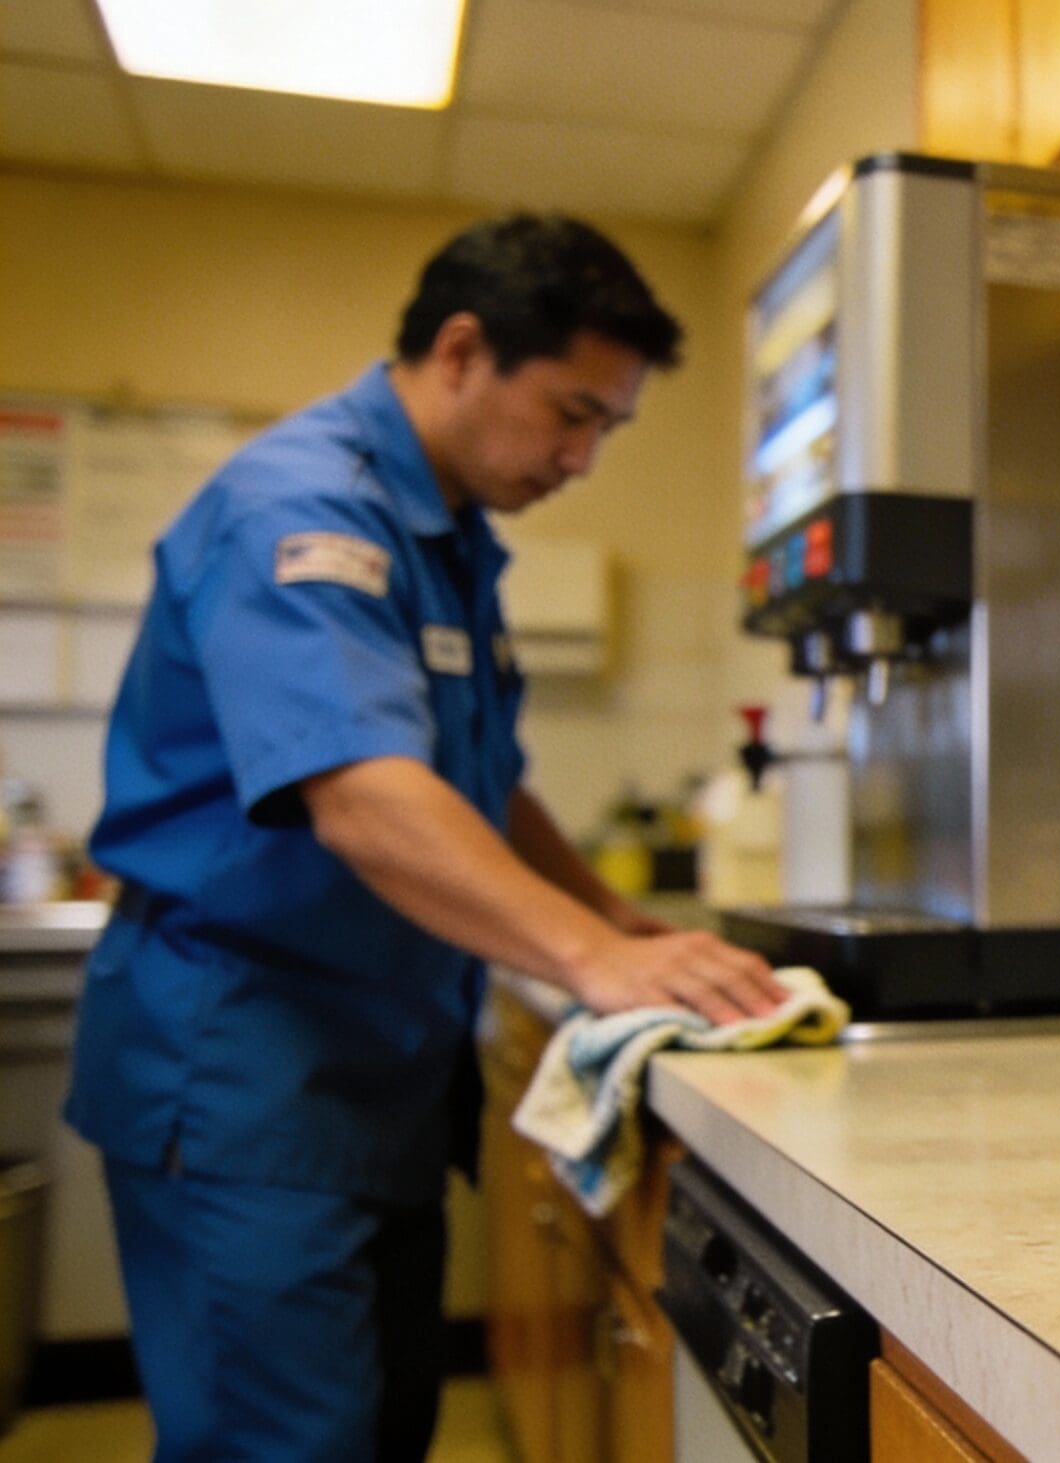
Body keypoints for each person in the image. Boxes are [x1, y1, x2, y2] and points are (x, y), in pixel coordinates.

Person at [62, 214, 789, 1461]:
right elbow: (360, 791)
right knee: (287, 1443)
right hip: (247, 1064)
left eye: (607, 427)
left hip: (368, 1077)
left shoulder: (448, 541)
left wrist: (617, 921)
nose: (582, 456)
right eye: (572, 412)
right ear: (462, 351)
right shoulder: (303, 506)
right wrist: (588, 958)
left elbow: (480, 783)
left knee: (379, 1424)